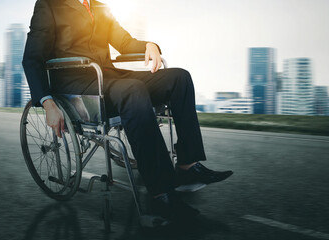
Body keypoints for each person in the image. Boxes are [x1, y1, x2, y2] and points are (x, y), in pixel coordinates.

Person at [22, 0, 233, 221]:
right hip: (76, 86)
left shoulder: (98, 7)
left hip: (108, 77)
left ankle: (187, 166)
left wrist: (149, 46)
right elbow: (32, 58)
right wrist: (47, 103)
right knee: (133, 89)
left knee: (179, 78)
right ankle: (161, 193)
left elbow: (124, 42)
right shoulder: (50, 4)